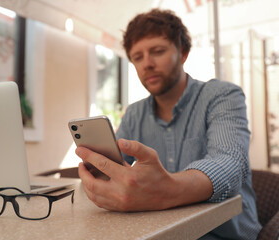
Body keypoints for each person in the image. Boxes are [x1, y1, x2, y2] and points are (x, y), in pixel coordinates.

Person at [75, 9, 262, 239]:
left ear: (183, 53)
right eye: (137, 57)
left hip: (225, 234)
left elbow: (232, 163)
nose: (147, 64)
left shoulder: (221, 95)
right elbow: (118, 167)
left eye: (158, 51)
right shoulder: (134, 113)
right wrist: (102, 177)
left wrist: (168, 189)